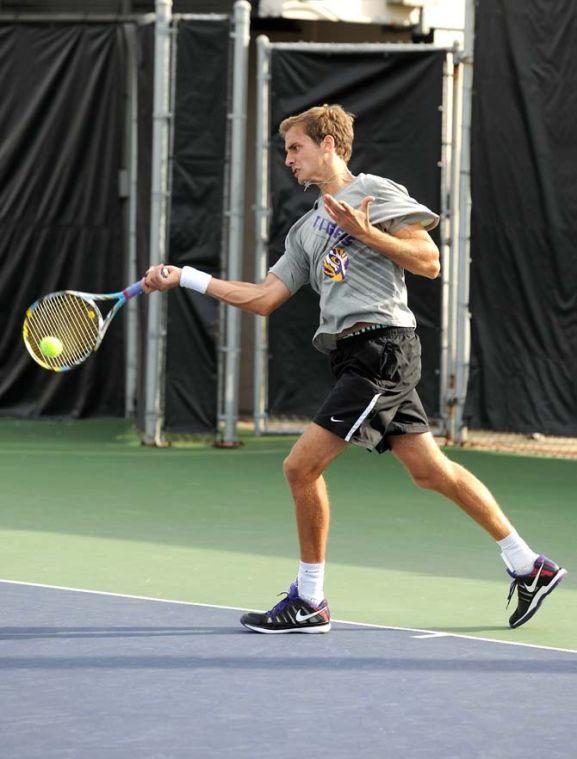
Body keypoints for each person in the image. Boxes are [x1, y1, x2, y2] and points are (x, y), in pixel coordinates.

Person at [143, 104, 566, 634]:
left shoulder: (373, 190)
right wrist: (186, 277)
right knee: (431, 472)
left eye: (296, 147)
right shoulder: (304, 230)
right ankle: (529, 564)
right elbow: (263, 298)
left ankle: (311, 600)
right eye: (286, 151)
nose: (289, 159)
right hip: (352, 354)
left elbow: (429, 260)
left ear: (329, 146)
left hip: (382, 347)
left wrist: (367, 233)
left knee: (300, 467)